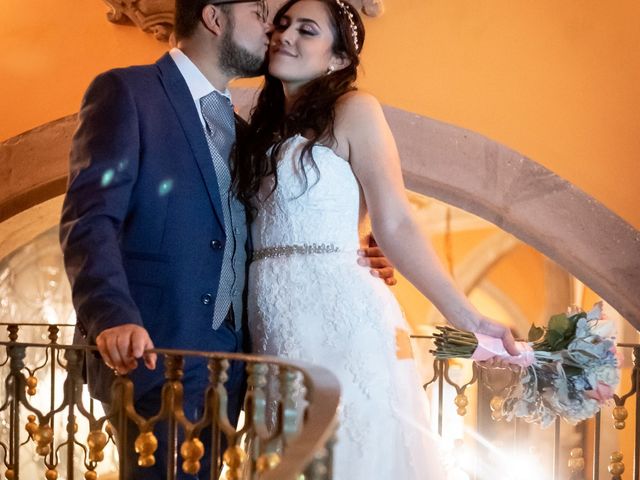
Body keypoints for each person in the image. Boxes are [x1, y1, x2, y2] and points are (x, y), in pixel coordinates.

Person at [59, 1, 394, 478]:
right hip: (153, 352)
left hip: (234, 366)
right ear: (215, 18)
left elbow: (266, 230)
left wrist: (354, 250)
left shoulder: (241, 130)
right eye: (260, 14)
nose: (273, 31)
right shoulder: (128, 93)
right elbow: (90, 219)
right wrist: (111, 317)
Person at [235, 0, 520, 478]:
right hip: (272, 319)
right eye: (283, 24)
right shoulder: (255, 126)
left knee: (352, 453)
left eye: (307, 30)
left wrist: (465, 315)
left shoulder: (355, 110)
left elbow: (396, 222)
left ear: (338, 59)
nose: (286, 36)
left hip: (342, 315)